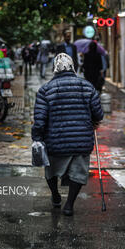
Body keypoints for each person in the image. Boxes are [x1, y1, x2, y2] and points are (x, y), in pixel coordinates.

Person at [32, 53, 104, 216]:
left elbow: (40, 119)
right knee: (77, 173)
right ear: (73, 67)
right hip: (81, 141)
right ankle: (69, 205)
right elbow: (98, 114)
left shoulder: (45, 90)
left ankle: (56, 195)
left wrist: (37, 137)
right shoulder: (87, 87)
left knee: (50, 171)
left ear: (54, 69)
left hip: (55, 141)